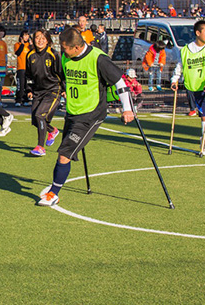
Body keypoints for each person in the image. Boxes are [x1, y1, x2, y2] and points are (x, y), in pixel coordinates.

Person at [38, 27, 134, 206]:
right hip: (73, 112)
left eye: (65, 48)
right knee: (66, 151)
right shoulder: (67, 57)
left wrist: (127, 109)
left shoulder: (98, 58)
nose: (62, 51)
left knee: (64, 153)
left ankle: (54, 193)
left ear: (76, 47)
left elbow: (120, 82)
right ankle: (55, 188)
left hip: (91, 114)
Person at [170, 20, 205, 157]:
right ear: (198, 33)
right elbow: (180, 66)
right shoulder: (186, 50)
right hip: (197, 86)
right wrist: (175, 79)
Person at [25, 29, 62, 156]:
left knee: (40, 115)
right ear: (33, 40)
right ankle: (52, 130)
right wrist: (29, 90)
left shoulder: (54, 54)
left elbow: (61, 73)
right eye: (37, 38)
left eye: (43, 38)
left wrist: (63, 89)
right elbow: (28, 76)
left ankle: (40, 147)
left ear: (47, 40)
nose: (40, 40)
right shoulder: (30, 55)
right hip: (37, 91)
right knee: (35, 120)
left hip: (53, 90)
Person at [13, 30, 32, 107]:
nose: (26, 37)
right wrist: (22, 44)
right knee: (20, 85)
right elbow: (18, 53)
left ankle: (26, 99)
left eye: (27, 35)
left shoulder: (29, 45)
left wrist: (30, 45)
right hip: (21, 67)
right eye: (25, 35)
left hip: (28, 68)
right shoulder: (17, 44)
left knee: (27, 85)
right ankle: (18, 100)